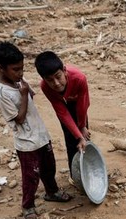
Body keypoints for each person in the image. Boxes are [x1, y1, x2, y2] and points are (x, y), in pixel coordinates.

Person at [0, 42, 71, 219]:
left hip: (40, 134)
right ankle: (28, 206)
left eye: (22, 69)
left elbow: (30, 95)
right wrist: (23, 94)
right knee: (31, 175)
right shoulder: (1, 91)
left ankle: (52, 192)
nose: (20, 73)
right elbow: (18, 118)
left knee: (48, 166)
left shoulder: (18, 81)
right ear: (1, 68)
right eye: (16, 69)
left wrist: (26, 91)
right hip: (27, 142)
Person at [34, 51, 91, 182]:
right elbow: (62, 112)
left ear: (64, 71)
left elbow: (83, 105)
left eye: (58, 76)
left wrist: (82, 127)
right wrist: (77, 135)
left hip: (78, 103)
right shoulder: (45, 87)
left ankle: (89, 169)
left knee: (85, 138)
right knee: (71, 139)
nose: (56, 83)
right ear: (43, 79)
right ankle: (75, 175)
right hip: (63, 105)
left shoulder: (79, 78)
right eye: (49, 80)